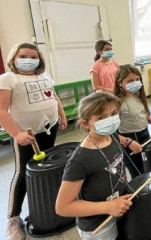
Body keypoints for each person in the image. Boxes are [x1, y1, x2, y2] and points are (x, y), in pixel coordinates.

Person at [0, 43, 68, 240]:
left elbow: (54, 98)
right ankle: (13, 218)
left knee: (45, 168)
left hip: (49, 128)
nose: (29, 60)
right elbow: (2, 110)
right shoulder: (8, 79)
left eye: (33, 57)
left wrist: (62, 116)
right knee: (23, 172)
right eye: (23, 56)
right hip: (25, 134)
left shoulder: (44, 76)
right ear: (14, 58)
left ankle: (45, 206)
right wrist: (16, 134)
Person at [56, 92, 140, 239]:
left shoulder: (111, 134)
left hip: (122, 209)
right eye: (101, 118)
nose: (111, 120)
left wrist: (129, 142)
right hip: (99, 225)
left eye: (114, 113)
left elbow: (119, 138)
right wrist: (108, 207)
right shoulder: (80, 160)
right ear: (85, 124)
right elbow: (63, 207)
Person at [113, 64, 151, 179]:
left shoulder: (138, 96)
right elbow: (111, 134)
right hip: (129, 140)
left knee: (147, 166)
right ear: (120, 83)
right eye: (130, 81)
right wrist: (128, 142)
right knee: (137, 173)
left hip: (144, 135)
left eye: (137, 79)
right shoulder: (117, 103)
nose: (135, 83)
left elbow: (142, 116)